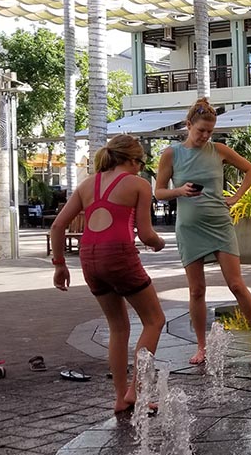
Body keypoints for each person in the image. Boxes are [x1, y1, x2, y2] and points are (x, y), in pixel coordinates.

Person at [51, 135, 166, 413]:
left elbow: (57, 226)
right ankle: (137, 391)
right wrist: (159, 244)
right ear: (129, 159)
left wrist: (59, 265)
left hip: (89, 259)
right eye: (140, 162)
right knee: (154, 320)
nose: (141, 168)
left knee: (118, 327)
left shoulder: (87, 185)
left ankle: (119, 397)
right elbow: (147, 234)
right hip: (119, 256)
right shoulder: (138, 185)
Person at [155, 97, 251, 365]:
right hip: (189, 228)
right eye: (200, 131)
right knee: (196, 291)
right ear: (188, 125)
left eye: (209, 131)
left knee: (237, 284)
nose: (205, 136)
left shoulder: (218, 150)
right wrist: (179, 191)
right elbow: (158, 192)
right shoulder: (171, 154)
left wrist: (236, 197)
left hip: (219, 224)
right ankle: (202, 346)